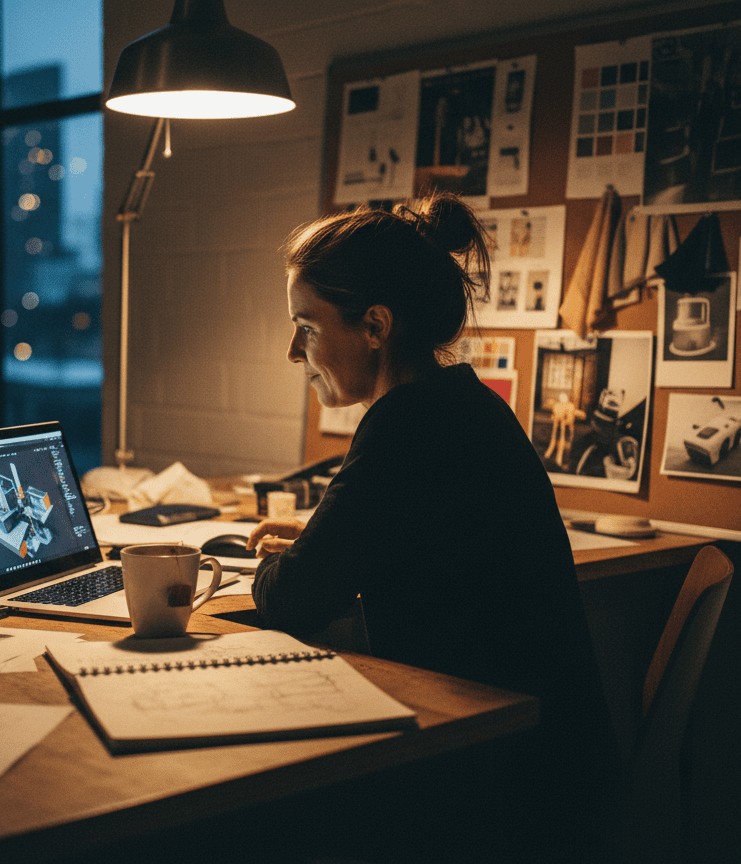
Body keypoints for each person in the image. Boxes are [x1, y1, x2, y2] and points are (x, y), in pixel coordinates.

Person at [246, 192, 618, 859]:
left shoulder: (402, 429)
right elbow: (406, 546)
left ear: (375, 326)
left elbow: (290, 598)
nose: (293, 351)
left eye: (305, 324)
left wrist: (282, 565)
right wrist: (318, 550)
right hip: (549, 755)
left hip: (497, 788)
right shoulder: (466, 404)